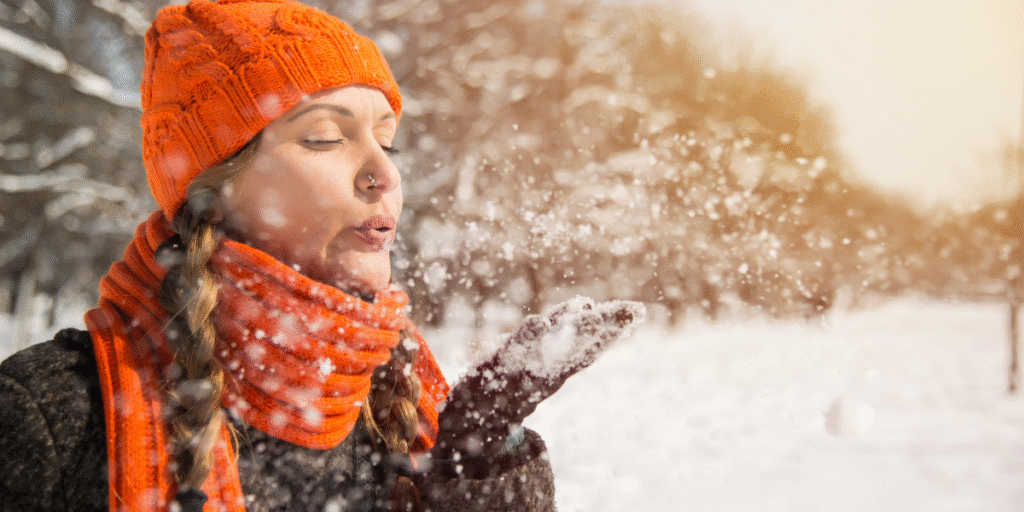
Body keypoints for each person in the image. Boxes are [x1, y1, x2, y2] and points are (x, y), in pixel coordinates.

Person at [0, 0, 644, 511]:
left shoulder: (395, 390)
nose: (382, 175)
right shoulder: (49, 418)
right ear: (213, 193)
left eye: (386, 142)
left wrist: (481, 456)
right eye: (325, 137)